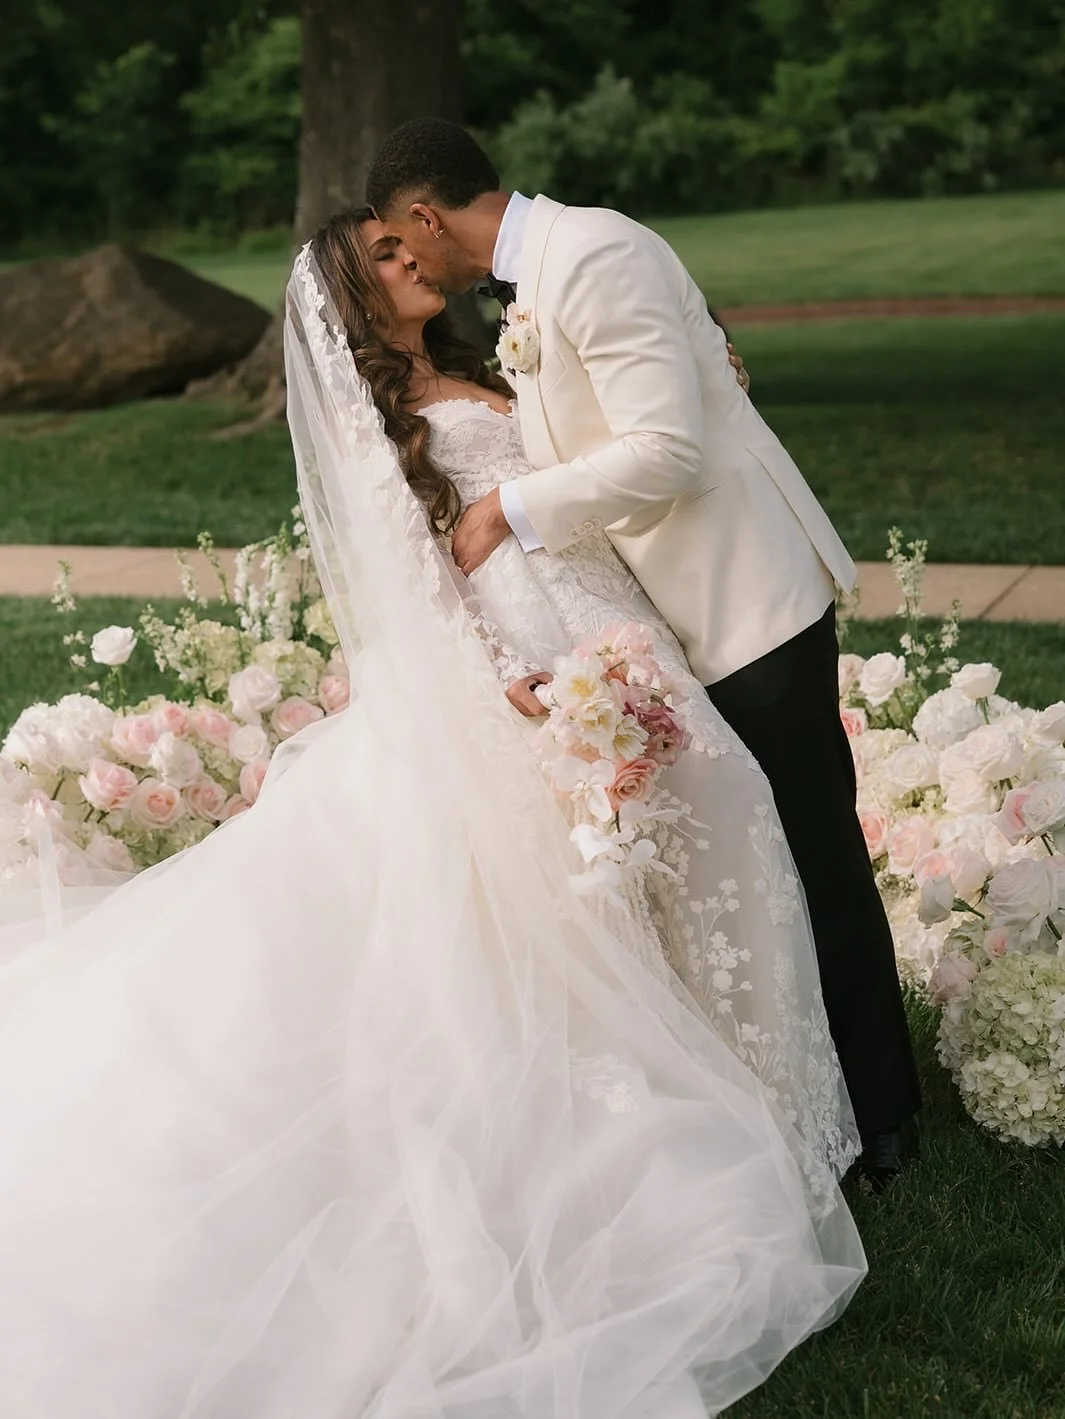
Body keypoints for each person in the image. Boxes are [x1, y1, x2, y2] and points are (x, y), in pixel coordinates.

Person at [0, 209, 866, 1417]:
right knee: (590, 873)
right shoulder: (375, 428)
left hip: (611, 620)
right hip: (520, 656)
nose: (410, 265)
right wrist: (501, 680)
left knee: (710, 813)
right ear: (352, 303)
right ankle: (679, 1103)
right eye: (383, 264)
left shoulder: (494, 355)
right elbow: (410, 582)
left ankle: (771, 1084)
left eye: (407, 249)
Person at [366, 118, 921, 1186]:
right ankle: (816, 1085)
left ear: (426, 217)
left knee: (813, 849)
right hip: (674, 607)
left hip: (744, 593)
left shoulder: (594, 252)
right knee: (768, 849)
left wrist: (506, 513)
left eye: (401, 241)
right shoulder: (533, 283)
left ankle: (886, 1117)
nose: (409, 263)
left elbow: (665, 450)